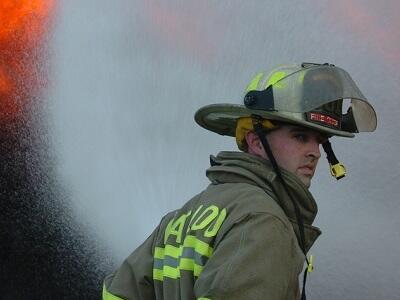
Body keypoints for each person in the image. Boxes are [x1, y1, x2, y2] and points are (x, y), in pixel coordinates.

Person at [102, 63, 377, 300]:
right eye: (300, 136)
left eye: (319, 142)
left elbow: (117, 293)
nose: (314, 153)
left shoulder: (182, 216)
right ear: (256, 141)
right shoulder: (263, 220)